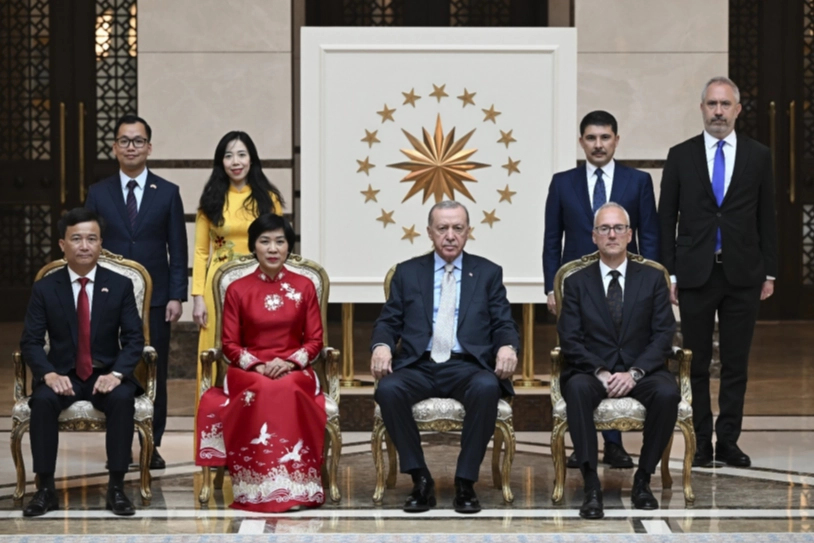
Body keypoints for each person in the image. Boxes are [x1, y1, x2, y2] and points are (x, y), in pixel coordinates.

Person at [371, 200, 520, 514]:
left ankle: (465, 482)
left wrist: (508, 347)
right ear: (429, 232)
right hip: (419, 364)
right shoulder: (407, 272)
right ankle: (420, 479)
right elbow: (388, 321)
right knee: (388, 389)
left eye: (457, 228)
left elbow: (503, 323)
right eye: (442, 228)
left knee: (486, 387)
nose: (450, 235)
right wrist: (382, 346)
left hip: (466, 366)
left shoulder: (488, 273)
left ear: (468, 232)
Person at [658, 76, 777, 468]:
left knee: (735, 364)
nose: (719, 112)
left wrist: (770, 272)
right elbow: (665, 218)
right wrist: (670, 274)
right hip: (695, 274)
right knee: (694, 364)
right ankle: (700, 442)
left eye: (726, 105)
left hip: (743, 274)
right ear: (702, 109)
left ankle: (728, 441)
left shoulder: (758, 155)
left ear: (738, 110)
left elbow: (767, 216)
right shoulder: (681, 155)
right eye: (712, 104)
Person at [543, 110, 660, 469]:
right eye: (591, 138)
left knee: (620, 354)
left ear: (616, 140)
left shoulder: (638, 181)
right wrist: (551, 287)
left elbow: (649, 236)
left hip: (625, 286)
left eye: (605, 137)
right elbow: (552, 240)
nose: (598, 144)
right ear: (581, 142)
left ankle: (614, 444)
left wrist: (655, 281)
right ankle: (584, 443)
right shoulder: (562, 183)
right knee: (583, 362)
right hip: (579, 291)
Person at [195, 213, 326, 512]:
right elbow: (229, 344)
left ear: (289, 246)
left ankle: (297, 487)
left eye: (280, 241)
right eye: (265, 241)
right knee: (264, 388)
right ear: (253, 246)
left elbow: (314, 341)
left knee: (287, 387)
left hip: (294, 368)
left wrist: (290, 362)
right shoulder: (237, 288)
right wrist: (257, 365)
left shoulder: (305, 286)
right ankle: (257, 488)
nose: (273, 248)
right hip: (248, 369)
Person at [20, 208, 145, 517]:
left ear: (101, 243)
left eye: (92, 239)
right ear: (63, 245)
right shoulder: (45, 288)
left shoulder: (120, 285)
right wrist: (48, 374)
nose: (84, 246)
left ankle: (116, 487)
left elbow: (134, 339)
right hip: (63, 373)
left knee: (122, 399)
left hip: (105, 373)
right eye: (76, 239)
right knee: (42, 401)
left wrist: (117, 374)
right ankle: (45, 489)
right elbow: (31, 341)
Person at [558, 203, 678, 519]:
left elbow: (663, 334)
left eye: (618, 228)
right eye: (604, 229)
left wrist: (635, 372)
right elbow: (570, 338)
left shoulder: (652, 278)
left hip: (642, 370)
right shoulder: (576, 281)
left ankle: (643, 479)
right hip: (592, 371)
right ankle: (591, 486)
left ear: (629, 235)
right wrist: (600, 371)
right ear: (594, 236)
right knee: (577, 389)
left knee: (668, 392)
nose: (612, 234)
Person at [85, 114, 188, 469]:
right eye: (125, 141)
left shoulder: (168, 192)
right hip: (107, 300)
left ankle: (151, 445)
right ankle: (119, 445)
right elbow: (89, 245)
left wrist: (176, 295)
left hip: (155, 301)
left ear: (149, 147)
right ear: (115, 147)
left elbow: (178, 249)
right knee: (112, 369)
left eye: (138, 141)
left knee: (153, 371)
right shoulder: (98, 193)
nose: (131, 147)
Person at [191, 132, 284, 416]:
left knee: (257, 348)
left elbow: (279, 247)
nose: (235, 161)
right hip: (217, 289)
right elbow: (201, 252)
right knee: (214, 353)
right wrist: (197, 297)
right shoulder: (210, 201)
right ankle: (212, 429)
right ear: (220, 162)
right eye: (228, 155)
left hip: (260, 285)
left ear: (251, 159)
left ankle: (259, 423)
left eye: (242, 154)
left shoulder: (268, 200)